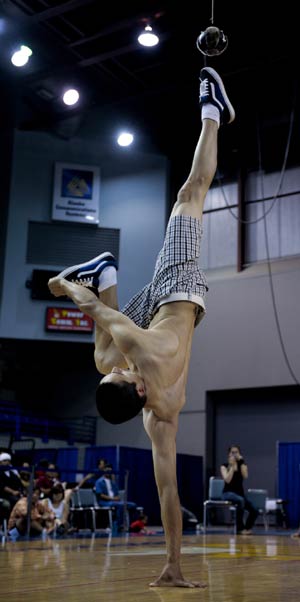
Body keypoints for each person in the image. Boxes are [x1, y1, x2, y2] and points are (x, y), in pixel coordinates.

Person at [48, 66, 235, 588]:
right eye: (122, 378)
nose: (120, 369)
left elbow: (169, 493)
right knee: (189, 193)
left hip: (159, 309)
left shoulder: (159, 418)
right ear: (136, 385)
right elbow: (97, 314)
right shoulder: (142, 354)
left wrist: (173, 565)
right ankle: (213, 111)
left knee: (98, 358)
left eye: (118, 375)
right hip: (179, 288)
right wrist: (63, 286)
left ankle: (106, 270)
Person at [220, 445, 259, 534]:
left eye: (236, 452)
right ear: (229, 454)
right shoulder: (224, 466)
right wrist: (232, 467)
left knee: (254, 510)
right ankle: (240, 529)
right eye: (232, 452)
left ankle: (247, 528)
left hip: (239, 494)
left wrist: (241, 462)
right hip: (227, 493)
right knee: (240, 500)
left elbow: (245, 476)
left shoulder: (242, 464)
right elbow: (227, 480)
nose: (234, 454)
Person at [95, 464, 136, 531]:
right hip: (104, 502)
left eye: (110, 471)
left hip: (115, 501)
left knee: (132, 505)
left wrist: (116, 498)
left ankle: (132, 525)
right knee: (120, 505)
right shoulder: (99, 482)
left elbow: (117, 494)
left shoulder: (113, 482)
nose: (108, 472)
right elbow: (100, 495)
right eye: (107, 470)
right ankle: (118, 525)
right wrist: (112, 499)